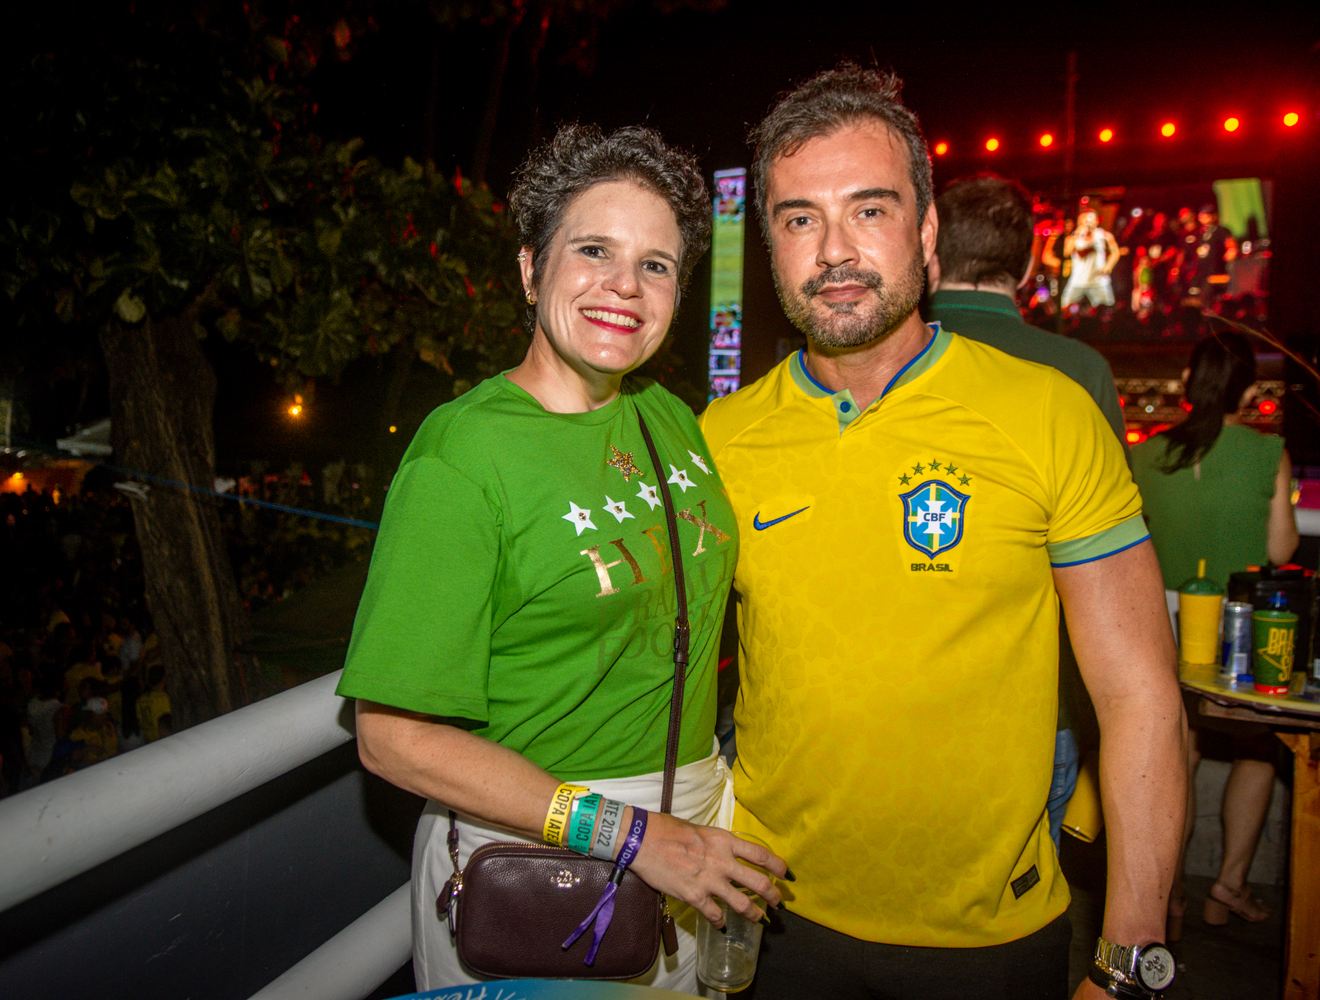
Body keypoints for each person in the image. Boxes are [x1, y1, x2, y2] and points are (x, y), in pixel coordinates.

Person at [700, 65, 1185, 999]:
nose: (834, 250)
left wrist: (1131, 962)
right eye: (800, 220)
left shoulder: (1048, 415)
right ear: (771, 247)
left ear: (926, 235)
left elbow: (1139, 697)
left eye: (868, 210)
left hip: (989, 942)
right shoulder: (721, 437)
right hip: (767, 919)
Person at [337, 124, 785, 993]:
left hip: (693, 847)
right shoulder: (463, 453)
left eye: (656, 265)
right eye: (593, 250)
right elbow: (392, 739)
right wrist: (632, 834)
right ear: (530, 269)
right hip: (548, 861)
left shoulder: (669, 418)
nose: (626, 285)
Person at [926, 172, 1128, 847]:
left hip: (894, 697)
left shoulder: (874, 358)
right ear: (1031, 262)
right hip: (1038, 704)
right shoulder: (1078, 371)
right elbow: (1110, 553)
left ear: (930, 250)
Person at [1130, 332, 1298, 938]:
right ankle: (1227, 884)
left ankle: (1170, 895)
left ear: (1186, 383)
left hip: (1163, 621)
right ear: (1249, 391)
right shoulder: (1268, 450)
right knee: (1257, 749)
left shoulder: (1148, 455)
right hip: (1236, 623)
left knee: (1178, 754)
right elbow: (1281, 548)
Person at [1043, 208, 1120, 309]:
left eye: (1090, 219)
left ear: (1096, 221)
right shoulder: (1074, 237)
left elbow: (1115, 252)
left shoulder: (1104, 235)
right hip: (1078, 280)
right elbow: (1066, 253)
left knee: (1106, 308)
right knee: (1065, 306)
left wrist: (1108, 266)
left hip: (1098, 280)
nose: (1087, 222)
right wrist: (1077, 234)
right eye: (1084, 220)